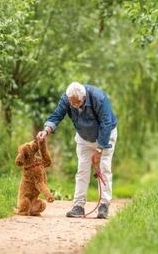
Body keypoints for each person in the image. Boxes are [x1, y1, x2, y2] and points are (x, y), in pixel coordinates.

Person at [36, 82, 118, 219]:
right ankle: (78, 206)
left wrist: (99, 149)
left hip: (105, 136)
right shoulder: (67, 99)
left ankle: (104, 206)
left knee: (104, 169)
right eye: (72, 103)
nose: (74, 106)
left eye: (77, 103)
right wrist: (46, 131)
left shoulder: (98, 97)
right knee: (82, 170)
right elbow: (57, 116)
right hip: (84, 138)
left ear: (84, 97)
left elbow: (106, 123)